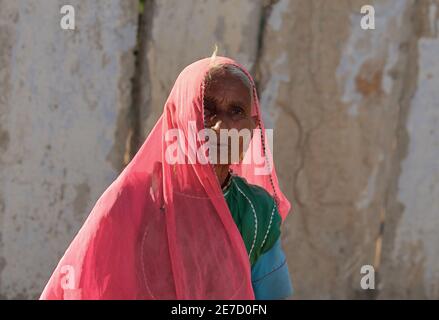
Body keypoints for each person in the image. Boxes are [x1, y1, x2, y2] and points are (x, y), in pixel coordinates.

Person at [40, 54, 293, 300]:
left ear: (252, 127)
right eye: (207, 109)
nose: (220, 127)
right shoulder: (132, 200)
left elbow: (272, 295)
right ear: (181, 116)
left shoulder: (258, 211)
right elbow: (90, 287)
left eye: (236, 111)